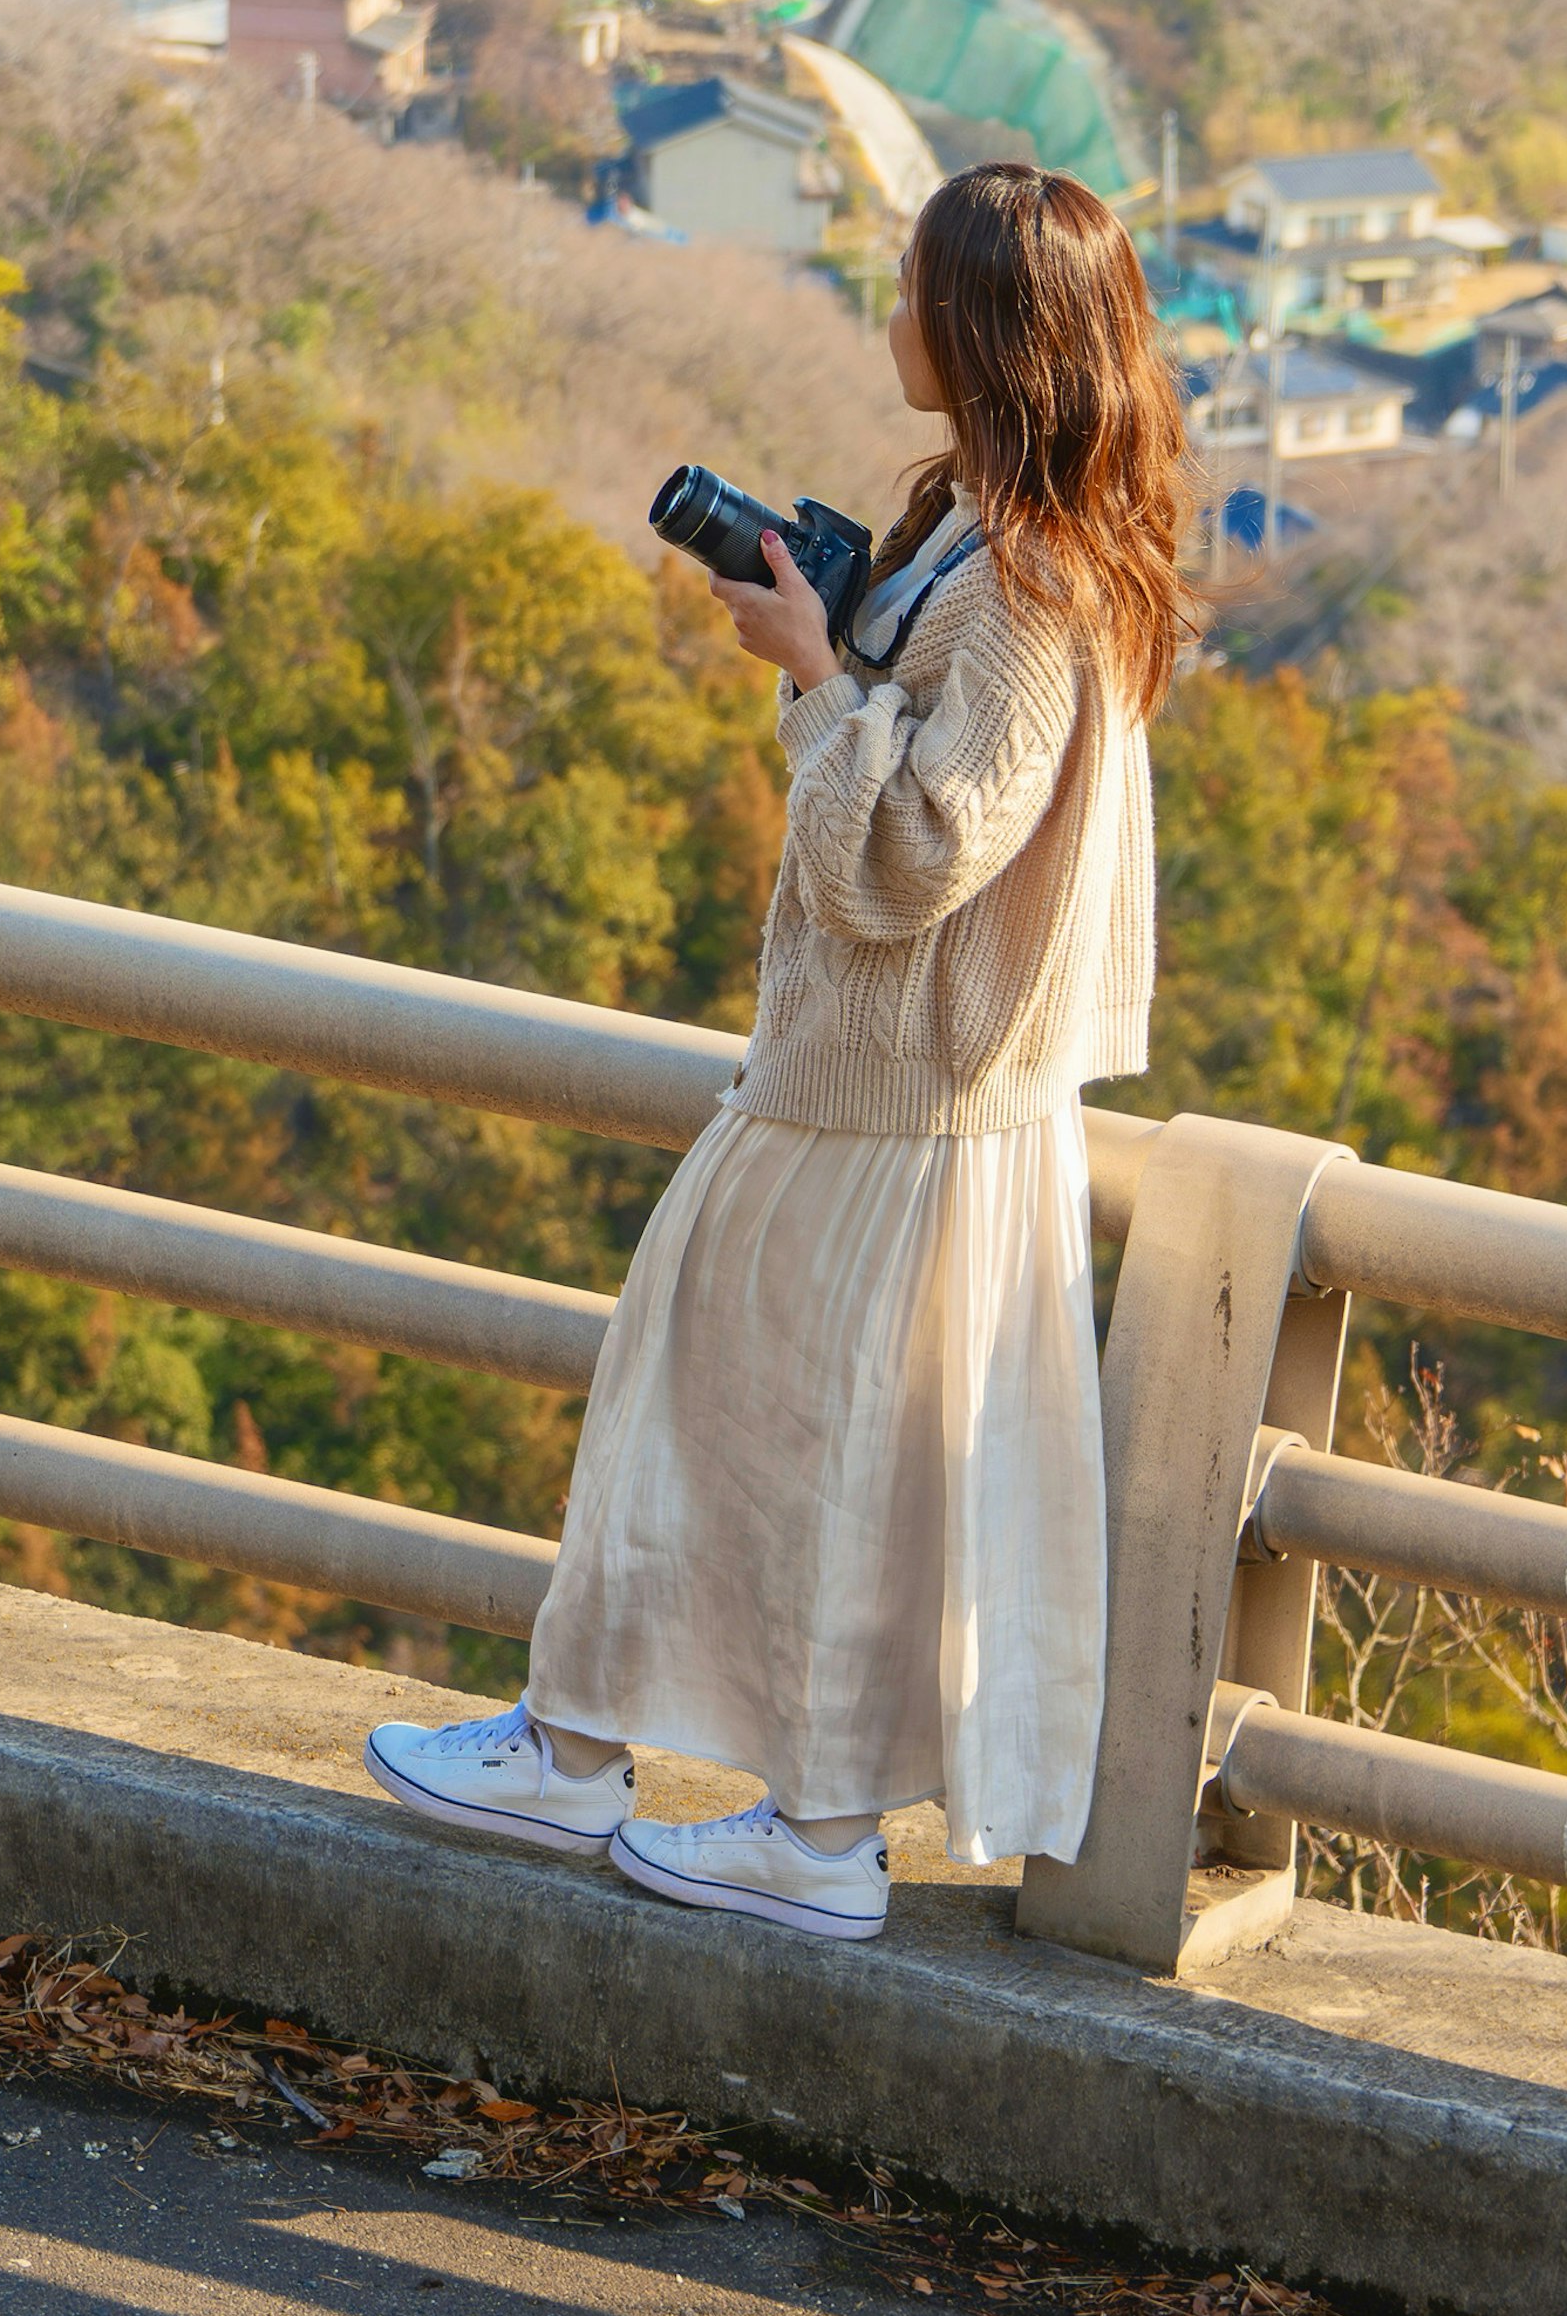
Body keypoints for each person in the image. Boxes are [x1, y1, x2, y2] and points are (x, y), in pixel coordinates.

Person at [363, 160, 1188, 1943]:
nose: (889, 320)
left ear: (981, 331)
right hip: (908, 1094)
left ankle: (699, 1794)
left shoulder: (1033, 585)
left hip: (897, 1095)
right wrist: (842, 640)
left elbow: (917, 849)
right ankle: (673, 1776)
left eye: (913, 295)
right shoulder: (1000, 533)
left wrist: (820, 674)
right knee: (798, 1432)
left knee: (741, 1403)